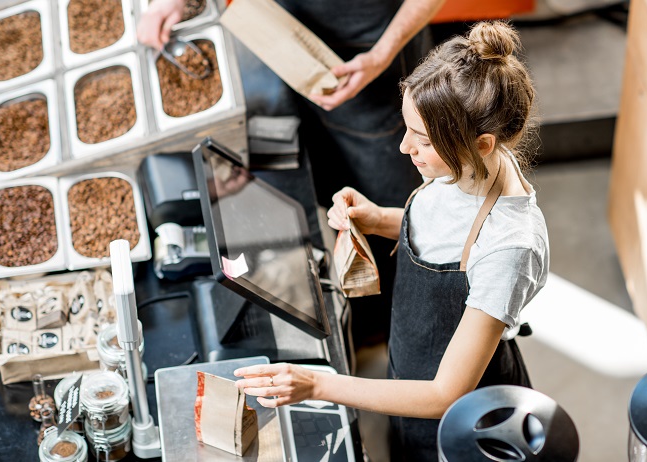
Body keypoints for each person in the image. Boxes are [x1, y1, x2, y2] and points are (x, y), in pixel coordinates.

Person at [233, 21, 549, 461]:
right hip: (412, 363)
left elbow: (444, 393)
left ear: (481, 143)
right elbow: (450, 235)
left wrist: (317, 385)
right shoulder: (469, 166)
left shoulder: (509, 250)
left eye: (421, 140)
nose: (404, 148)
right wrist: (380, 219)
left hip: (457, 411)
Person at [139, 0, 447, 347]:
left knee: (388, 201)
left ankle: (385, 323)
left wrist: (382, 54)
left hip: (370, 53)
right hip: (285, 33)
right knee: (327, 177)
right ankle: (356, 307)